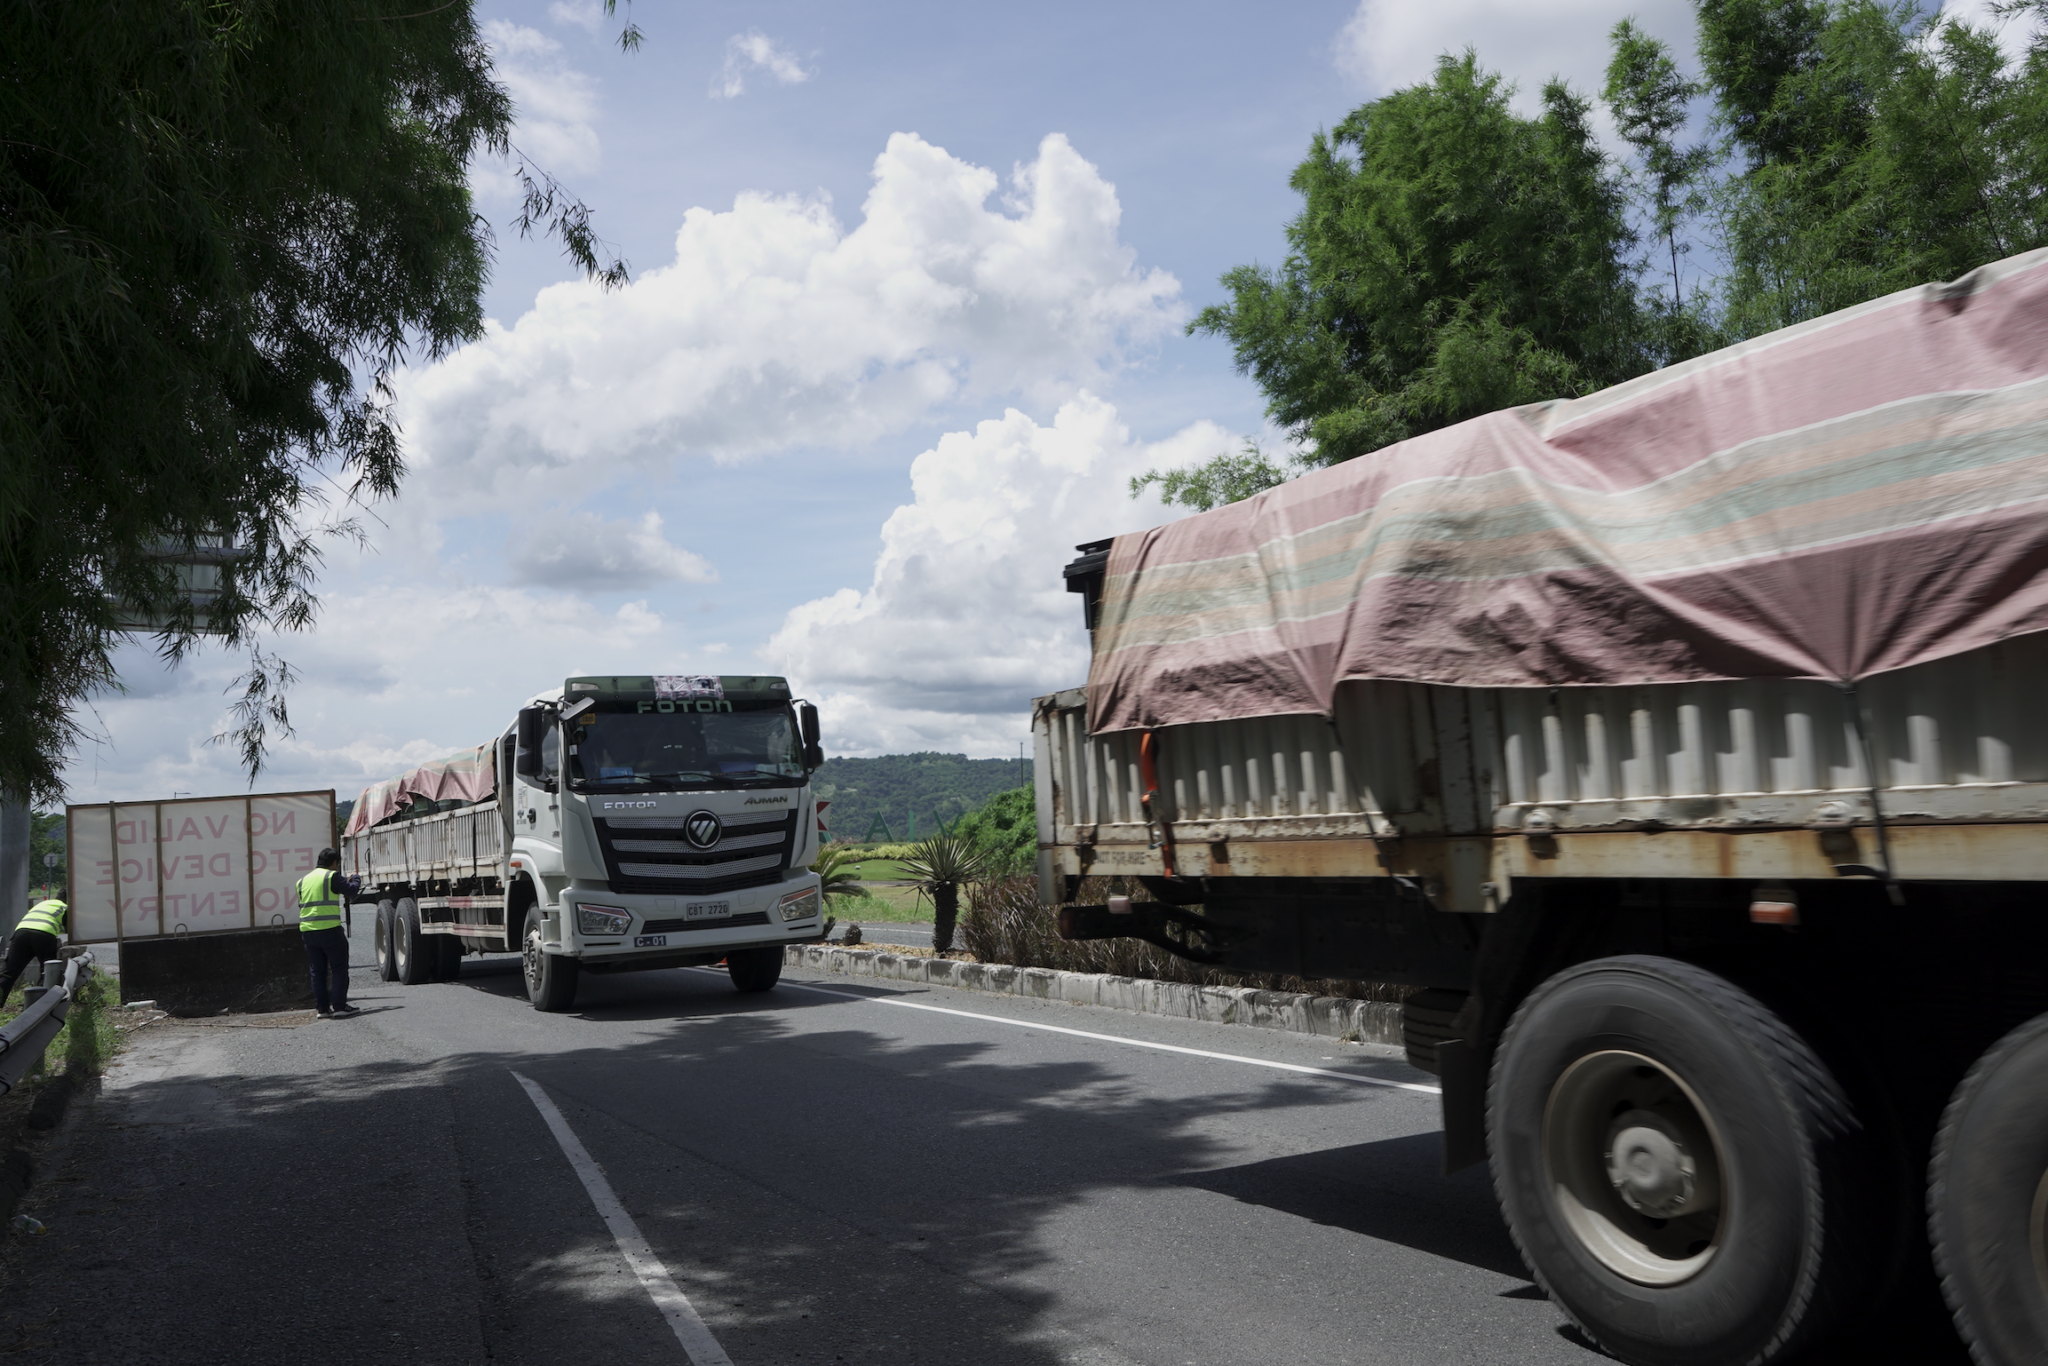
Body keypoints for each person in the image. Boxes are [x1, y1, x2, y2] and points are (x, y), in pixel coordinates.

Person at [298, 850, 358, 1019]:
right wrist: (356, 878)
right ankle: (339, 1006)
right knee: (339, 968)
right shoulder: (332, 876)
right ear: (334, 863)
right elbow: (351, 891)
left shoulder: (302, 881)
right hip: (330, 930)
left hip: (308, 931)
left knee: (317, 971)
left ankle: (322, 1009)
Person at [0, 898, 66, 1005]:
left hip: (21, 933)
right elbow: (72, 928)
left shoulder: (44, 904)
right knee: (48, 971)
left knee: (8, 973)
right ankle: (41, 1004)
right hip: (44, 934)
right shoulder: (64, 907)